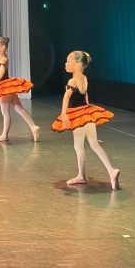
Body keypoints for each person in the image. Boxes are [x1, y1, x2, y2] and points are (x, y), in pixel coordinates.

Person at [52, 50, 119, 189]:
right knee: (94, 144)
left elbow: (66, 98)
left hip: (78, 115)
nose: (65, 64)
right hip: (87, 112)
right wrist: (88, 111)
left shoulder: (73, 80)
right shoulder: (84, 78)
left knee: (78, 146)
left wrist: (64, 114)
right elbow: (85, 95)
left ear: (77, 65)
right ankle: (111, 171)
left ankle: (82, 176)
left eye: (68, 61)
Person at [0, 36, 39, 142]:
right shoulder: (1, 57)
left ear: (2, 47)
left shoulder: (2, 59)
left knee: (5, 113)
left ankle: (4, 135)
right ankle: (33, 127)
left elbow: (2, 70)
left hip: (4, 87)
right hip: (8, 86)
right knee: (18, 108)